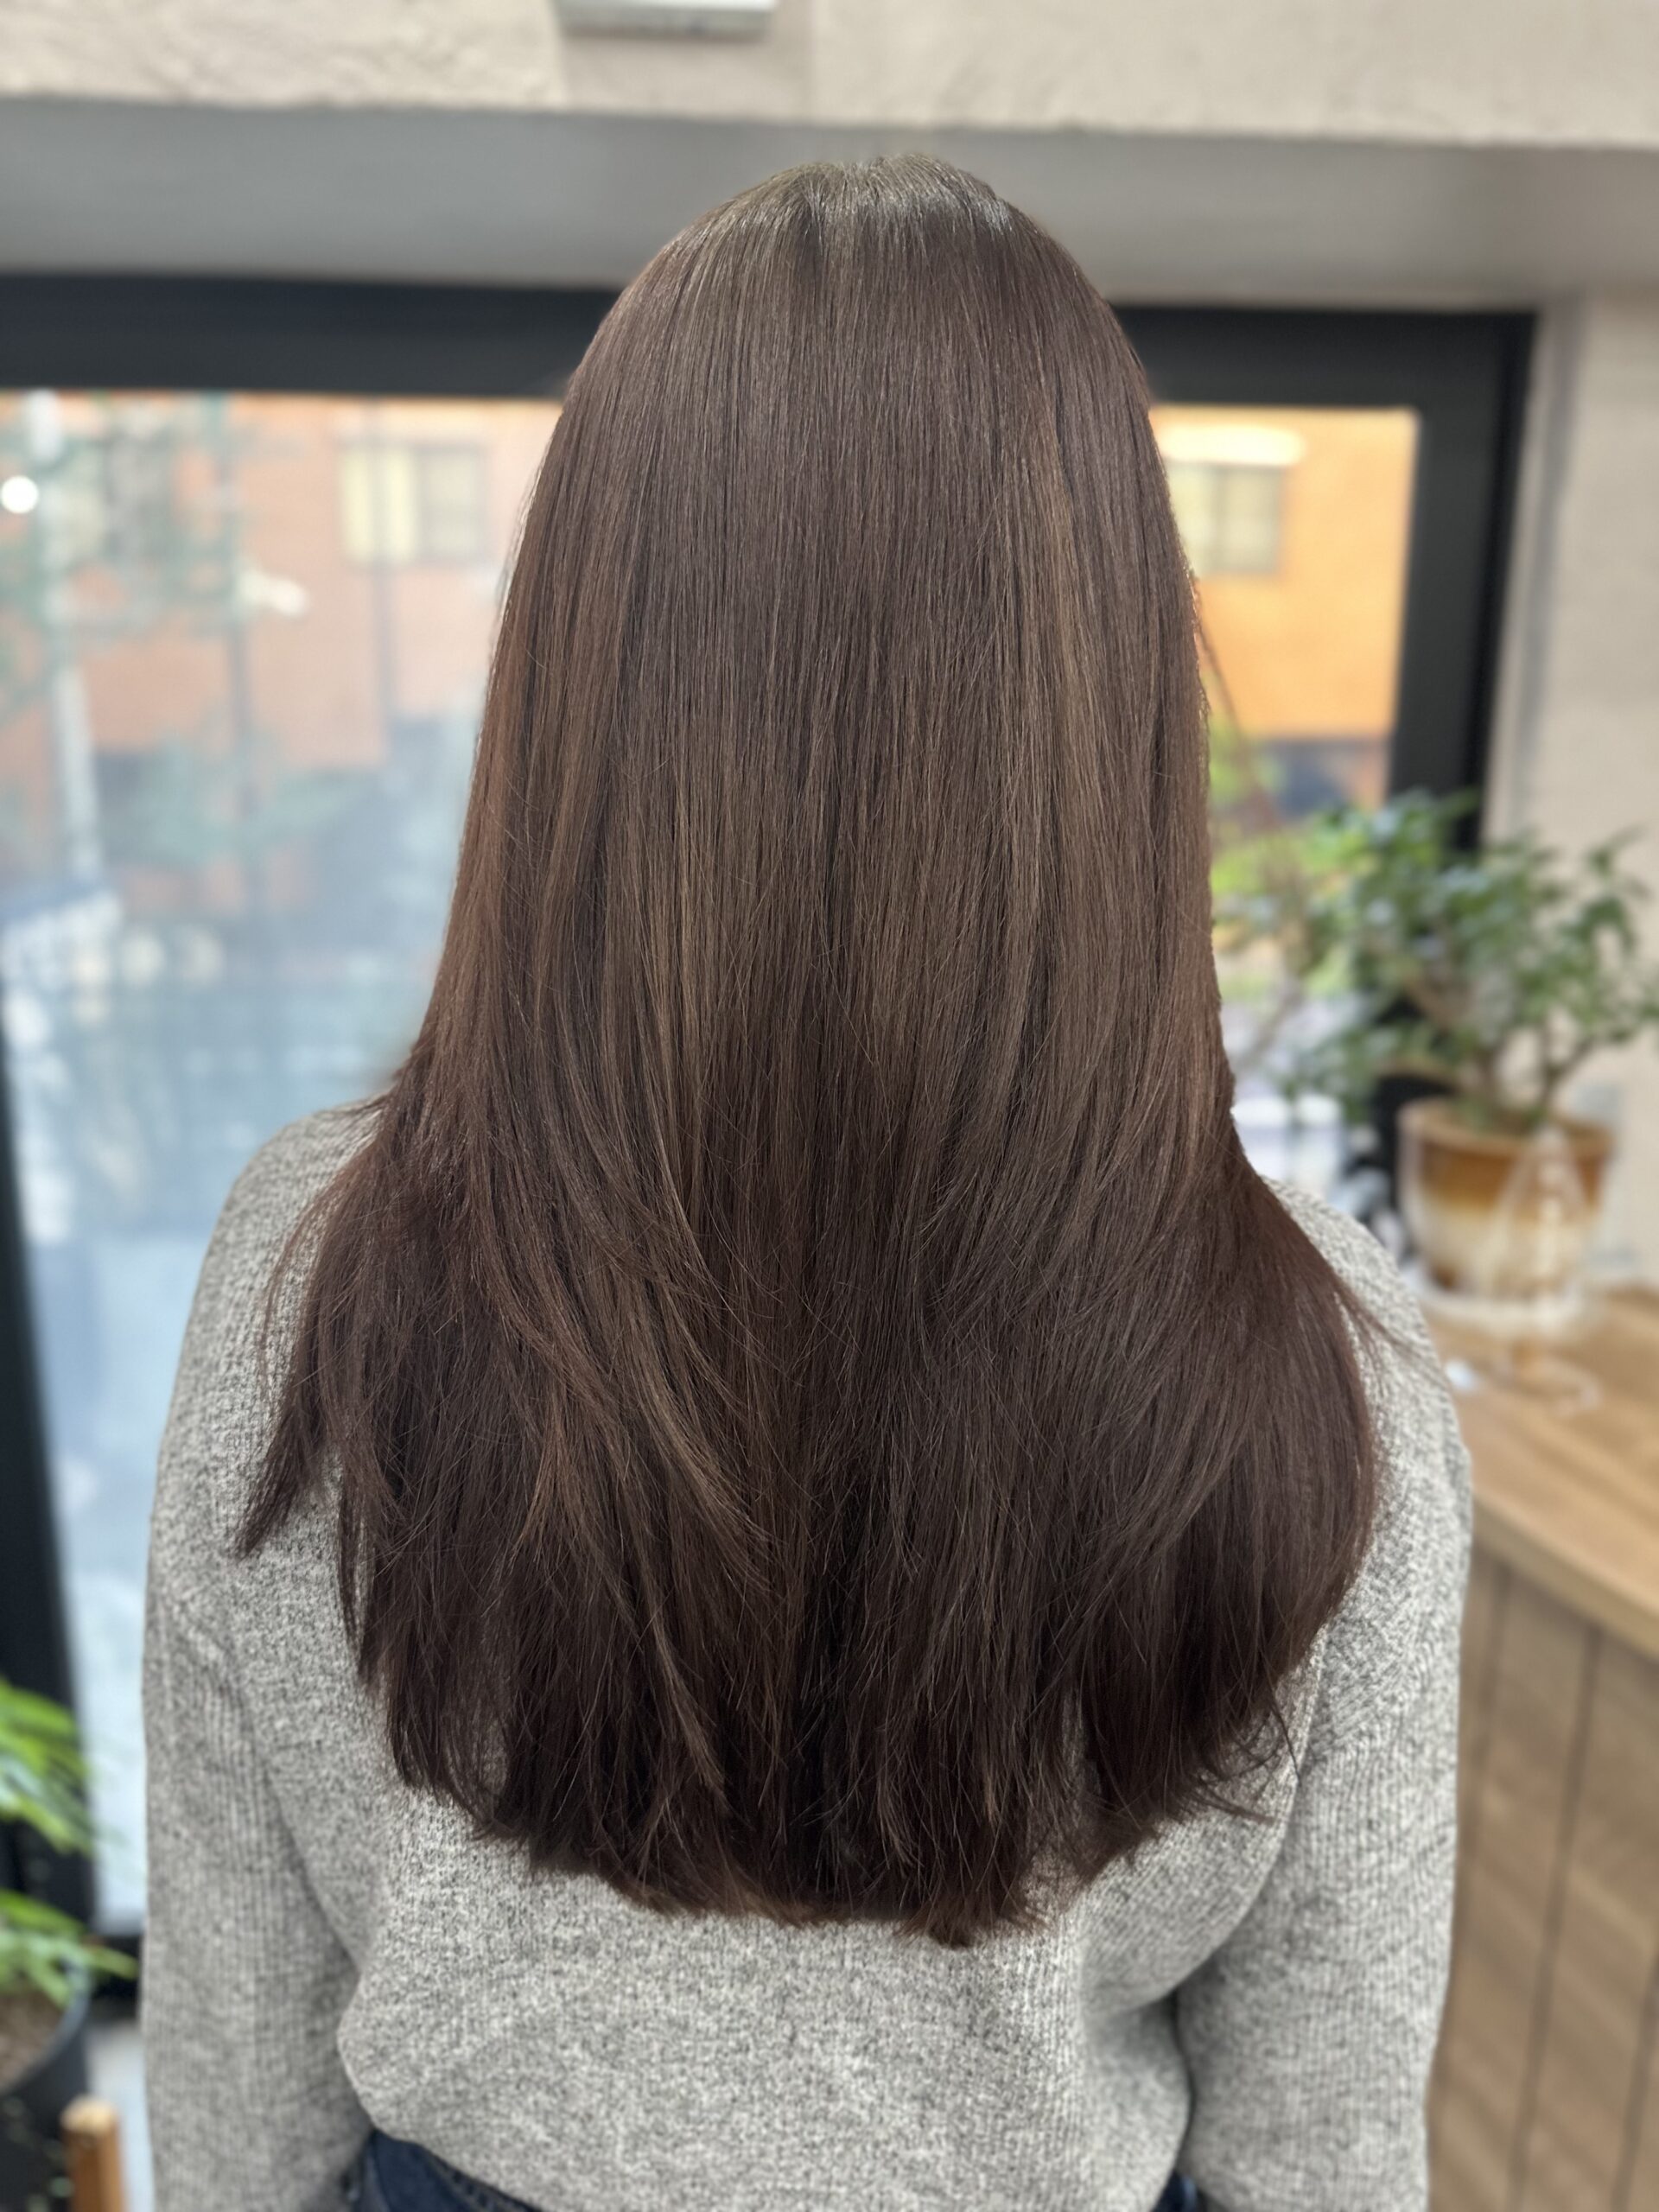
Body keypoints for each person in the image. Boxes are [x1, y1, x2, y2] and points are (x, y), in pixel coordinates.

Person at [142, 156, 1471, 2212]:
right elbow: (1322, 2135)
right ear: (1109, 705)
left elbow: (240, 2039)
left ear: (581, 680)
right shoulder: (1324, 1355)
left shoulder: (310, 1272)